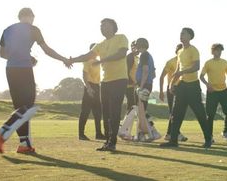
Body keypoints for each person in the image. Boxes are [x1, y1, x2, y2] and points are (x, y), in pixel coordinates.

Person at [0, 8, 69, 154]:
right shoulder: (33, 29)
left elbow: (2, 54)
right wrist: (63, 59)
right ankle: (1, 132)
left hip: (10, 70)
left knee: (20, 108)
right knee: (28, 107)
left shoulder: (7, 30)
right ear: (31, 17)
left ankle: (24, 144)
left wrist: (23, 56)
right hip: (24, 70)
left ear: (19, 17)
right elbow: (47, 50)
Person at [68, 18, 128, 151]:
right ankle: (107, 141)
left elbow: (121, 53)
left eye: (105, 26)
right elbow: (87, 56)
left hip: (119, 79)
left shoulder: (121, 38)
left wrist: (103, 60)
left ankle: (112, 142)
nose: (102, 28)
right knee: (105, 113)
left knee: (114, 111)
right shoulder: (100, 45)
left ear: (113, 27)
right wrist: (72, 60)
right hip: (105, 82)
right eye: (101, 26)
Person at [160, 27, 212, 148]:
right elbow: (178, 70)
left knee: (200, 113)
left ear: (190, 36)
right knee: (176, 113)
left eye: (184, 34)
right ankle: (173, 141)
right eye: (180, 33)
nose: (181, 35)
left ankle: (208, 140)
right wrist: (172, 83)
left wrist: (182, 73)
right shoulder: (179, 52)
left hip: (193, 85)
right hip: (181, 86)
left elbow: (196, 67)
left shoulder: (194, 50)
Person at [200, 44, 227, 142]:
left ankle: (225, 132)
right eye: (217, 50)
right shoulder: (208, 63)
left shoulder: (224, 62)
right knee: (210, 115)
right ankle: (209, 137)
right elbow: (201, 76)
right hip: (212, 91)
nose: (219, 52)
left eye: (220, 51)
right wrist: (207, 84)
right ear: (213, 51)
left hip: (223, 90)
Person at [159, 44, 187, 142]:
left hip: (183, 88)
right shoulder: (170, 62)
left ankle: (169, 134)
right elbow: (162, 76)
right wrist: (161, 92)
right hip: (172, 89)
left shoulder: (186, 62)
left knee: (178, 113)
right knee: (174, 112)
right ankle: (176, 133)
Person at [134, 37, 161, 141]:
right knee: (142, 110)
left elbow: (145, 71)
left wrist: (141, 86)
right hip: (148, 84)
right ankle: (143, 134)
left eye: (136, 44)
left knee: (141, 110)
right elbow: (153, 74)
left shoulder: (144, 55)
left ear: (139, 45)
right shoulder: (149, 56)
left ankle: (152, 132)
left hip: (143, 85)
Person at [79, 43, 106, 141]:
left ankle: (98, 134)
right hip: (89, 86)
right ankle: (81, 134)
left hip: (97, 86)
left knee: (98, 112)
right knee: (85, 112)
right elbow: (84, 75)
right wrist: (89, 88)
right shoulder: (87, 61)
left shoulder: (98, 62)